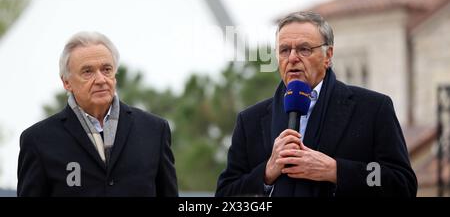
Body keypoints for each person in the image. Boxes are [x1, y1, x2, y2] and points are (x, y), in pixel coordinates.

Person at [215, 11, 417, 197]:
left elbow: (402, 185)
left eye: (304, 49)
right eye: (284, 50)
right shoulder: (250, 120)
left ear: (328, 56)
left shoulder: (373, 109)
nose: (292, 58)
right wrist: (266, 173)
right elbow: (225, 195)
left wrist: (335, 171)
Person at [17, 31, 178, 196]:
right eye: (88, 72)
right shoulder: (38, 140)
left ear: (115, 75)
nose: (101, 79)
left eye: (106, 69)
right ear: (66, 82)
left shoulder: (154, 131)